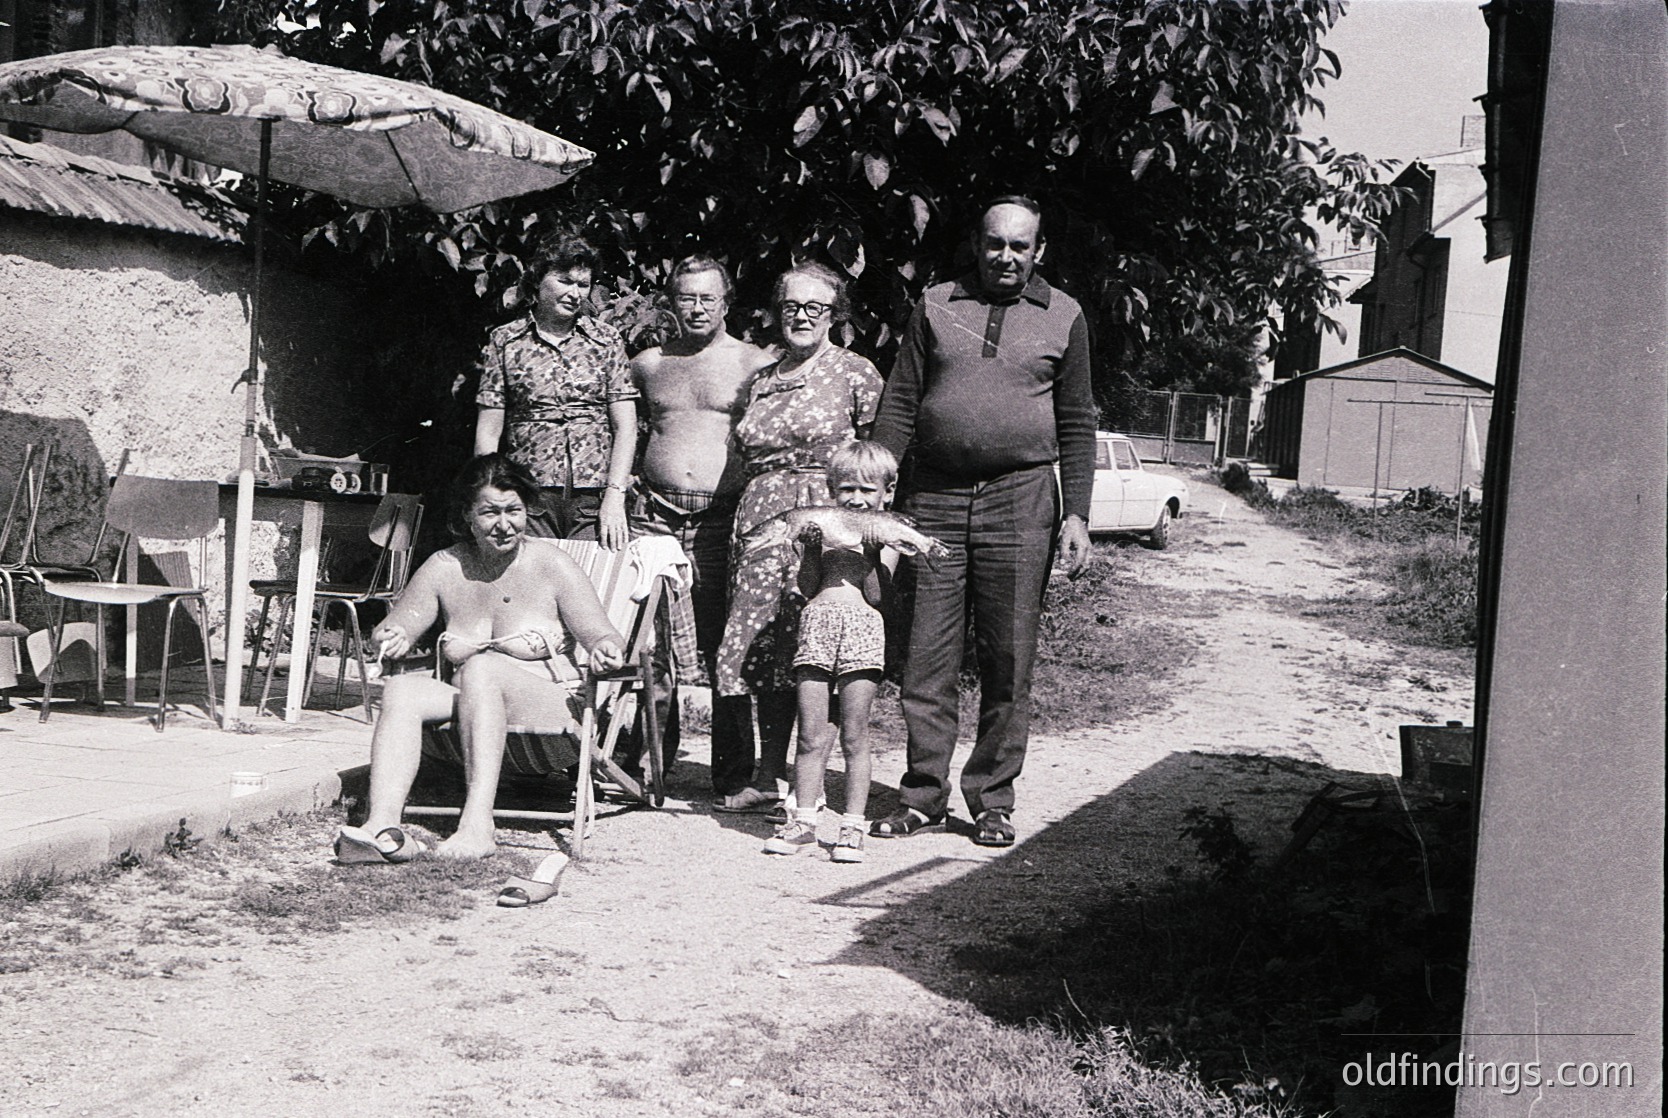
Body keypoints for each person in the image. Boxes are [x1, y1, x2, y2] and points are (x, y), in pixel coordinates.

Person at [869, 196, 1096, 848]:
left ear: (1039, 251)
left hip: (1021, 502)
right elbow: (902, 402)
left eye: (1019, 246)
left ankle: (992, 799)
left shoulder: (1065, 315)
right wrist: (881, 495)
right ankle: (922, 796)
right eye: (995, 243)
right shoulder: (937, 303)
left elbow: (1077, 420)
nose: (1005, 256)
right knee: (926, 655)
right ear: (977, 243)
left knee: (1008, 658)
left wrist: (1075, 513)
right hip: (935, 498)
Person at [333, 454, 626, 863]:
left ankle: (477, 825)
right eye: (490, 512)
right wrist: (392, 636)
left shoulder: (551, 565)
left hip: (551, 711)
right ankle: (381, 827)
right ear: (467, 517)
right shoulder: (445, 567)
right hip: (473, 712)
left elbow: (599, 633)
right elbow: (398, 625)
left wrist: (606, 649)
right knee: (401, 690)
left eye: (514, 511)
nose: (504, 524)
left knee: (482, 667)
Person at [713, 263, 885, 815]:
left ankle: (810, 780)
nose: (803, 316)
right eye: (792, 306)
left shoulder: (856, 373)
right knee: (758, 643)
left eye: (816, 307)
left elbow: (877, 462)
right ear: (777, 311)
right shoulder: (760, 379)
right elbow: (742, 457)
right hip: (762, 520)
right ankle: (765, 775)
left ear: (836, 315)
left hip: (827, 523)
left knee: (810, 644)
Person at [629, 256, 775, 800]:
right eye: (686, 297)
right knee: (651, 645)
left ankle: (735, 777)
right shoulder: (648, 364)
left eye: (707, 298)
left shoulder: (755, 363)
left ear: (726, 301)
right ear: (670, 302)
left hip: (722, 517)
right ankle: (648, 768)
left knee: (726, 644)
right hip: (654, 515)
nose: (696, 307)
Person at [762, 441, 900, 864]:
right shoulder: (821, 531)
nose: (855, 498)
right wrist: (807, 549)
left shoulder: (888, 533)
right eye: (845, 490)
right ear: (831, 491)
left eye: (866, 490)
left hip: (862, 629)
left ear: (886, 493)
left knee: (855, 736)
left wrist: (873, 550)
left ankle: (852, 828)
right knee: (810, 734)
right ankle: (803, 822)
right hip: (817, 627)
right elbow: (807, 588)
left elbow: (878, 597)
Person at [474, 232, 637, 549]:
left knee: (589, 587)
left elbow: (626, 426)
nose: (576, 293)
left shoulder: (607, 340)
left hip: (594, 498)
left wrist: (615, 498)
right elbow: (489, 430)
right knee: (531, 590)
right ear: (538, 280)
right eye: (565, 281)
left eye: (583, 284)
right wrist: (494, 498)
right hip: (526, 495)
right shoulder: (505, 341)